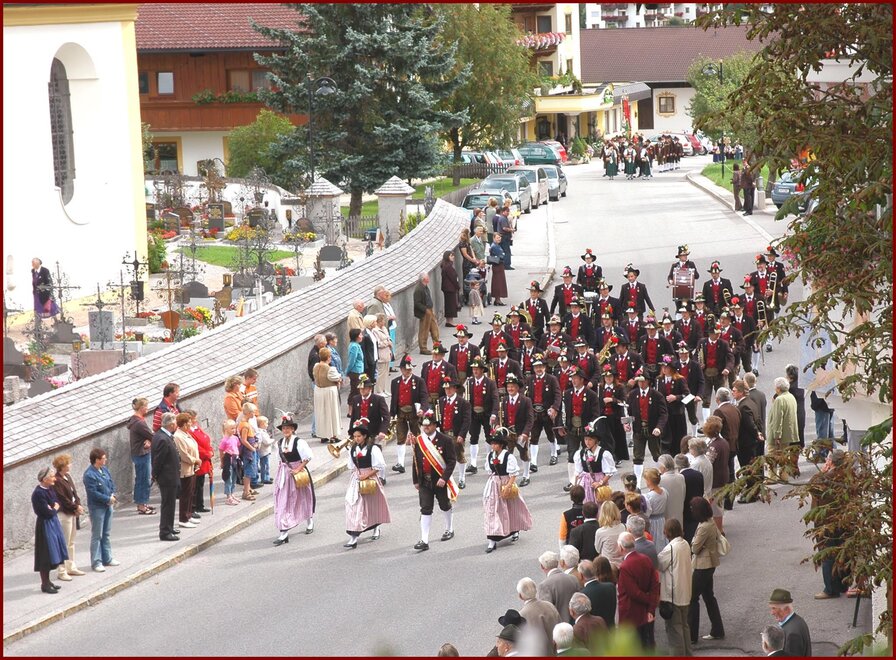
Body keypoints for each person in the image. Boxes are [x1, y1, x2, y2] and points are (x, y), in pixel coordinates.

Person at [411, 411, 457, 551]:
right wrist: (415, 480)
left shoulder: (445, 440)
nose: (426, 427)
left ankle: (449, 528)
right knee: (425, 508)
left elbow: (451, 461)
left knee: (444, 505)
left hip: (439, 480)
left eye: (429, 425)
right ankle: (424, 539)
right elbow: (415, 461)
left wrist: (444, 478)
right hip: (424, 481)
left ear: (435, 425)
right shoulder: (419, 441)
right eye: (424, 425)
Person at [809, 449, 850, 599]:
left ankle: (831, 589)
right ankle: (843, 585)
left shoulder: (825, 478)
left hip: (826, 521)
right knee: (843, 551)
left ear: (831, 462)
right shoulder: (848, 476)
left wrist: (821, 472)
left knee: (827, 554)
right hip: (844, 519)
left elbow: (812, 487)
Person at [482, 428, 532, 553]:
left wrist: (508, 487)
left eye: (495, 443)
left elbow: (513, 474)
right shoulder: (490, 456)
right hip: (494, 485)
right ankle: (492, 539)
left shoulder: (508, 457)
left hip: (506, 483)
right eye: (492, 443)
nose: (493, 446)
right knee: (492, 510)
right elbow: (490, 471)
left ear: (501, 445)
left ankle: (514, 530)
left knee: (511, 508)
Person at [343, 422, 391, 548]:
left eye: (359, 436)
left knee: (372, 505)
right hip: (357, 478)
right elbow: (351, 466)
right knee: (353, 505)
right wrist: (357, 475)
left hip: (370, 478)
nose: (356, 439)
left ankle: (376, 527)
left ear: (364, 436)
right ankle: (353, 537)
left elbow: (379, 466)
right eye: (355, 436)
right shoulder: (353, 449)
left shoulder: (373, 449)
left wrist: (366, 475)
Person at [272, 415, 315, 545]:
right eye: (284, 428)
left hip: (298, 473)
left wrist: (298, 469)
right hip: (284, 474)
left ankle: (309, 521)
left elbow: (307, 457)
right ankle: (283, 532)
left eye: (288, 428)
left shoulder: (299, 442)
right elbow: (279, 460)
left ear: (293, 429)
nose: (285, 430)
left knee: (304, 497)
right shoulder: (279, 443)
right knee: (283, 501)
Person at [689, 496, 725, 644]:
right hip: (710, 563)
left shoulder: (703, 527)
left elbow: (694, 548)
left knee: (692, 598)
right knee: (709, 596)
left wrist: (694, 541)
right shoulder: (710, 522)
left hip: (702, 565)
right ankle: (717, 629)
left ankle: (692, 635)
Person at [616, 531, 660, 648]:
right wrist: (651, 606)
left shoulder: (625, 567)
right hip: (646, 612)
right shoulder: (646, 559)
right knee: (647, 643)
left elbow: (633, 593)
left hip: (630, 614)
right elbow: (655, 584)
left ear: (621, 547)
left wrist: (649, 601)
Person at [657, 518, 693, 656]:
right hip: (685, 592)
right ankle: (688, 654)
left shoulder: (671, 548)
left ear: (667, 532)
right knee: (684, 627)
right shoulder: (685, 544)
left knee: (675, 632)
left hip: (673, 595)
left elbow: (660, 564)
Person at [627, 372, 668, 488]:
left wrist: (659, 427)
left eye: (643, 381)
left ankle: (659, 480)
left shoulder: (657, 395)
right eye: (639, 381)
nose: (641, 383)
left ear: (648, 381)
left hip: (652, 430)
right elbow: (629, 412)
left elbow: (663, 414)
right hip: (638, 430)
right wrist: (627, 424)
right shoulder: (633, 394)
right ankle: (638, 484)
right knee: (637, 457)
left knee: (656, 455)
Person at [33, 466, 69, 593]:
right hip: (45, 526)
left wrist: (53, 508)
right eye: (52, 477)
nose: (55, 479)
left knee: (53, 552)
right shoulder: (38, 493)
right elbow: (47, 512)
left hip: (53, 523)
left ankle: (48, 581)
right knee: (45, 554)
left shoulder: (50, 489)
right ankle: (44, 584)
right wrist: (54, 508)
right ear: (45, 479)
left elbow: (57, 503)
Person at [82, 448, 118, 571]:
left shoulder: (104, 470)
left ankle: (107, 558)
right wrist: (107, 498)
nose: (105, 459)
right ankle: (96, 562)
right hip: (97, 507)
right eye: (103, 458)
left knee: (106, 534)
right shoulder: (89, 475)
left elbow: (111, 483)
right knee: (97, 535)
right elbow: (93, 493)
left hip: (108, 505)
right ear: (97, 460)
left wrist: (112, 494)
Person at [50, 455, 85, 581]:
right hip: (64, 514)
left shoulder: (67, 477)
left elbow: (74, 493)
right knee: (63, 543)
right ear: (63, 466)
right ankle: (62, 570)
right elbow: (62, 499)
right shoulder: (57, 480)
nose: (70, 465)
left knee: (71, 542)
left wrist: (78, 505)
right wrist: (75, 507)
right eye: (68, 463)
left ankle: (71, 566)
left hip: (72, 512)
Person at [153, 413, 182, 541]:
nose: (176, 426)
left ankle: (169, 526)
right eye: (175, 423)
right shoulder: (162, 439)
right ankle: (165, 531)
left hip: (171, 476)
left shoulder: (164, 436)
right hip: (167, 477)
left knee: (171, 504)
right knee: (168, 504)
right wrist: (156, 475)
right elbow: (158, 461)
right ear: (171, 424)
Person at [516, 577, 561, 655]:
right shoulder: (549, 605)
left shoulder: (522, 615)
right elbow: (560, 625)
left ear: (520, 596)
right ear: (536, 590)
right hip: (557, 652)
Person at [573, 421, 615, 504]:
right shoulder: (580, 453)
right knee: (587, 504)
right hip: (585, 483)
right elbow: (578, 472)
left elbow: (609, 473)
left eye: (590, 439)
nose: (587, 442)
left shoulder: (604, 454)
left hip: (599, 481)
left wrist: (600, 483)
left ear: (596, 440)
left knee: (600, 503)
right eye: (586, 439)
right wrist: (576, 487)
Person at [126, 397, 155, 515]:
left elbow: (148, 437)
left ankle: (141, 503)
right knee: (144, 479)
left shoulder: (135, 420)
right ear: (142, 407)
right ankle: (142, 505)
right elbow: (152, 435)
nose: (147, 409)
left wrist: (149, 440)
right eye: (146, 406)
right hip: (142, 453)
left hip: (138, 453)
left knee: (140, 479)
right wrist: (150, 440)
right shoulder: (139, 423)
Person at [768, 376, 800, 477]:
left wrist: (777, 435)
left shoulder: (779, 399)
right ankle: (784, 476)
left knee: (772, 455)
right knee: (784, 455)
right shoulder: (791, 397)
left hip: (779, 434)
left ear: (778, 388)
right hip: (788, 433)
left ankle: (772, 476)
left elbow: (778, 418)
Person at [173, 412, 201, 529]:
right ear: (184, 424)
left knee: (190, 493)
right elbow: (184, 454)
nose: (191, 424)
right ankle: (183, 518)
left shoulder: (186, 434)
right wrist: (195, 460)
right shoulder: (178, 437)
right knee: (185, 494)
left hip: (192, 468)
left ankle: (188, 515)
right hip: (185, 469)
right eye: (189, 422)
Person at [536, 550, 580, 621]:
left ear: (542, 566)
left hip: (559, 624)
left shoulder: (544, 585)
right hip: (576, 620)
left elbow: (546, 612)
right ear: (557, 563)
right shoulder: (573, 578)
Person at [768, 588, 812, 656]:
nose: (772, 613)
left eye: (774, 608)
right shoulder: (798, 620)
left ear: (786, 609)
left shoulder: (792, 634)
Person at [313, 347, 343, 444]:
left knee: (321, 413)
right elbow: (337, 378)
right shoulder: (330, 369)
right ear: (328, 357)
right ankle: (333, 435)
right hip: (329, 392)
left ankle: (323, 435)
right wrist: (339, 379)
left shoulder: (316, 366)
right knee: (331, 413)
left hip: (318, 391)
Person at [186, 410, 215, 513]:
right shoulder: (189, 432)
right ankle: (194, 506)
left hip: (205, 459)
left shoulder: (196, 427)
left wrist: (210, 450)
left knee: (200, 484)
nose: (196, 420)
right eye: (194, 418)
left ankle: (200, 505)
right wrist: (207, 453)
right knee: (195, 485)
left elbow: (206, 438)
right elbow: (195, 447)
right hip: (198, 459)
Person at [580, 558, 617, 628]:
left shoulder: (583, 595)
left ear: (581, 575)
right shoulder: (610, 587)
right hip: (611, 629)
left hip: (596, 632)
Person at [676, 453, 704, 543]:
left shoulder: (681, 477)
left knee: (689, 534)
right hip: (698, 506)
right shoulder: (698, 474)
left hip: (687, 508)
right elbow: (701, 491)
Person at [236, 402, 259, 500]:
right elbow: (244, 440)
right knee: (248, 472)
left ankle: (248, 489)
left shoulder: (244, 423)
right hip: (248, 452)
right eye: (253, 412)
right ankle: (246, 492)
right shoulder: (245, 425)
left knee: (250, 470)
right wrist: (252, 448)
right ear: (249, 413)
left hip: (249, 450)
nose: (254, 414)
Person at [593, 500, 626, 569]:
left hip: (608, 566)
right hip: (622, 563)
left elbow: (598, 550)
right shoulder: (623, 527)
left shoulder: (600, 532)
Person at [643, 467, 669, 550]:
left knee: (655, 540)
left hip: (653, 522)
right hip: (662, 520)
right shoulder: (664, 491)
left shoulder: (648, 496)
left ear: (649, 481)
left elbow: (647, 512)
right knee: (663, 539)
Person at [414, 272, 439, 354]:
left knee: (434, 328)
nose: (429, 278)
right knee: (424, 330)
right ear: (424, 279)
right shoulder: (418, 289)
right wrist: (425, 310)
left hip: (430, 310)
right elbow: (417, 303)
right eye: (427, 277)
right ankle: (423, 348)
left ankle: (437, 345)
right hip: (424, 312)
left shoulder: (425, 287)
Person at [657, 454, 685, 527]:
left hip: (666, 515)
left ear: (663, 467)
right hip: (679, 512)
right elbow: (683, 495)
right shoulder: (681, 477)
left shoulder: (660, 480)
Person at [308, 334, 327, 438]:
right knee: (318, 407)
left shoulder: (318, 352)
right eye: (324, 343)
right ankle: (315, 429)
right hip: (317, 384)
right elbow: (313, 372)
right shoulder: (315, 355)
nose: (326, 344)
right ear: (320, 344)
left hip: (318, 383)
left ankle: (318, 428)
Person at [218, 419, 241, 506]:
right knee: (228, 478)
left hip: (235, 459)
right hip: (228, 459)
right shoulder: (224, 440)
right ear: (226, 429)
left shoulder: (235, 438)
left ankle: (232, 493)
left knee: (234, 478)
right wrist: (222, 461)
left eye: (234, 428)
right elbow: (221, 450)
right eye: (232, 428)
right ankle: (228, 496)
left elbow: (237, 446)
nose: (234, 430)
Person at [785, 364, 807, 450]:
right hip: (801, 414)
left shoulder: (790, 388)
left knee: (793, 444)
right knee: (799, 440)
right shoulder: (800, 385)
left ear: (790, 376)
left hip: (793, 417)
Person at [559, 484, 586, 548]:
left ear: (571, 498)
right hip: (587, 546)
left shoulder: (566, 515)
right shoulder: (590, 511)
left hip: (572, 547)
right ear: (584, 496)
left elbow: (562, 537)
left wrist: (563, 551)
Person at [372, 313, 393, 394]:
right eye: (383, 320)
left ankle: (384, 389)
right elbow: (378, 344)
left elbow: (388, 337)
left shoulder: (384, 328)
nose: (384, 322)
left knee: (386, 373)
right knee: (380, 374)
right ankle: (379, 390)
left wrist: (389, 341)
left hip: (387, 353)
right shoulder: (375, 330)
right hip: (381, 354)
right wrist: (387, 343)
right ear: (379, 321)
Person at [441, 250, 461, 327]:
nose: (453, 257)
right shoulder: (448, 266)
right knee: (451, 305)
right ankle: (450, 321)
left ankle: (448, 320)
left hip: (447, 288)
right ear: (447, 257)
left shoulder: (445, 265)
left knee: (448, 304)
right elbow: (453, 278)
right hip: (450, 288)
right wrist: (457, 286)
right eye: (451, 256)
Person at [254, 414, 274, 487]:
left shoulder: (261, 431)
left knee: (264, 465)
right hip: (264, 452)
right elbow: (267, 442)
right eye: (266, 423)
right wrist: (272, 440)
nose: (267, 425)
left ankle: (266, 476)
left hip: (263, 451)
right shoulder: (262, 433)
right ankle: (265, 478)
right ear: (262, 424)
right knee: (265, 465)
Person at [346, 328, 365, 402]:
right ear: (356, 336)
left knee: (360, 389)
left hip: (360, 370)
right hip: (356, 372)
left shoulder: (357, 345)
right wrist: (347, 371)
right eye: (360, 335)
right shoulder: (354, 346)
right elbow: (352, 361)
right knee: (356, 391)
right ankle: (351, 406)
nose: (362, 336)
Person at [489, 234, 508, 305]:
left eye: (500, 237)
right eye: (497, 238)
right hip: (497, 265)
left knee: (499, 282)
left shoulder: (496, 245)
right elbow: (501, 256)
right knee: (498, 283)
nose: (499, 239)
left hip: (499, 265)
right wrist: (503, 255)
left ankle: (498, 299)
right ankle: (497, 300)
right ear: (494, 238)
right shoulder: (494, 246)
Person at [361, 315, 378, 381]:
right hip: (369, 362)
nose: (376, 323)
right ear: (370, 323)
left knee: (373, 379)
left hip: (374, 359)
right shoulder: (365, 335)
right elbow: (363, 350)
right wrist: (365, 365)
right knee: (368, 380)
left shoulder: (372, 332)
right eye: (374, 322)